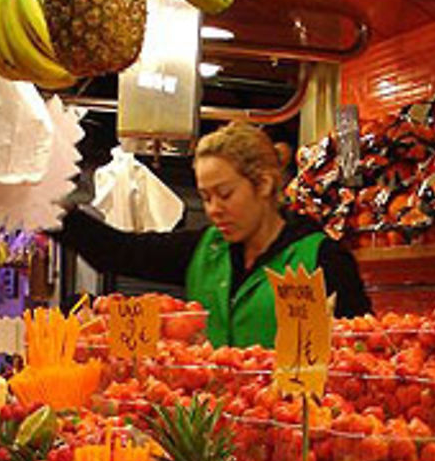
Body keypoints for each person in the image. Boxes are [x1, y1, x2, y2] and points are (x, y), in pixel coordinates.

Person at [60, 122, 370, 347]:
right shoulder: (207, 249)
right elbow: (118, 251)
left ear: (262, 185)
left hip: (293, 426)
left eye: (224, 194)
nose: (213, 209)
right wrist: (47, 208)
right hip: (214, 424)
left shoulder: (322, 258)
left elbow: (361, 351)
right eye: (205, 197)